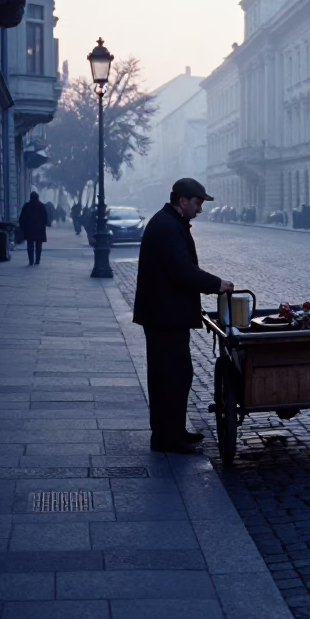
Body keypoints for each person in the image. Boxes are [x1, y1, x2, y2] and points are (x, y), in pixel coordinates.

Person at [133, 177, 233, 454]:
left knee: (175, 375)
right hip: (164, 316)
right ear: (183, 200)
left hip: (165, 314)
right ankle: (167, 438)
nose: (200, 209)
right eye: (198, 202)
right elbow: (181, 270)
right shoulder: (166, 227)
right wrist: (217, 284)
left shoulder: (169, 222)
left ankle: (172, 432)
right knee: (170, 377)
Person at [18, 191, 49, 266]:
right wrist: (45, 224)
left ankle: (31, 261)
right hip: (39, 229)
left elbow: (21, 218)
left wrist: (22, 226)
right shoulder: (41, 206)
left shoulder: (27, 206)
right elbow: (45, 217)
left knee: (30, 245)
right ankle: (37, 261)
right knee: (39, 246)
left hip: (29, 229)